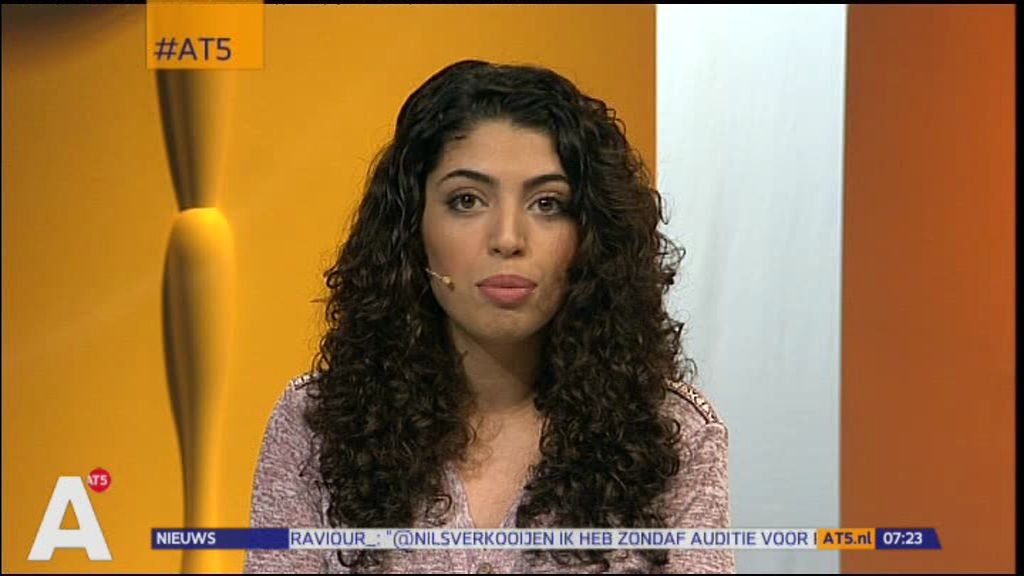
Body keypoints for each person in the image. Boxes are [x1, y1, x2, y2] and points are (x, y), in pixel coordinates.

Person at [245, 59, 734, 574]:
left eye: (547, 204)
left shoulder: (675, 434)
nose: (507, 238)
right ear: (412, 229)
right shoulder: (316, 424)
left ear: (592, 235)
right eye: (467, 200)